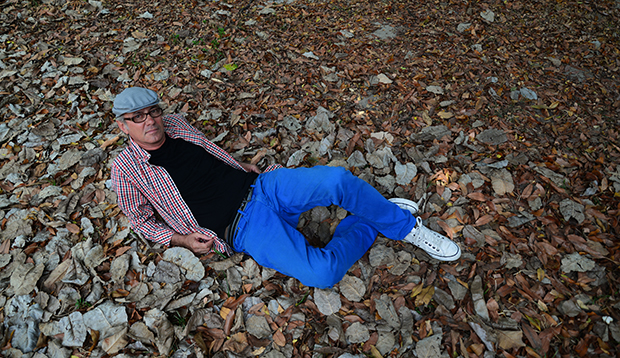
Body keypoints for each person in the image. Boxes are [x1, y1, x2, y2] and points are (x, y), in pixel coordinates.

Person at [110, 87, 461, 288]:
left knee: (336, 180)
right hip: (242, 229)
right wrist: (183, 240)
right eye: (137, 118)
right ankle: (372, 220)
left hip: (263, 186)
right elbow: (140, 221)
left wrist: (236, 166)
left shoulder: (175, 123)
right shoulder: (125, 169)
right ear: (124, 126)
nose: (150, 121)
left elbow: (206, 155)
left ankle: (404, 227)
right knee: (322, 273)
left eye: (152, 111)